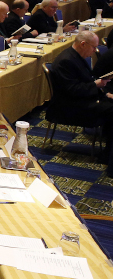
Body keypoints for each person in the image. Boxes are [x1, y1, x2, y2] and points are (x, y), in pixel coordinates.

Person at [51, 31, 113, 175]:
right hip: (70, 106)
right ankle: (108, 157)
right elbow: (72, 90)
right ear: (83, 44)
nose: (94, 51)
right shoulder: (66, 60)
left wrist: (104, 91)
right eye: (93, 47)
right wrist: (96, 85)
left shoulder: (76, 56)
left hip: (81, 99)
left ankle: (108, 154)